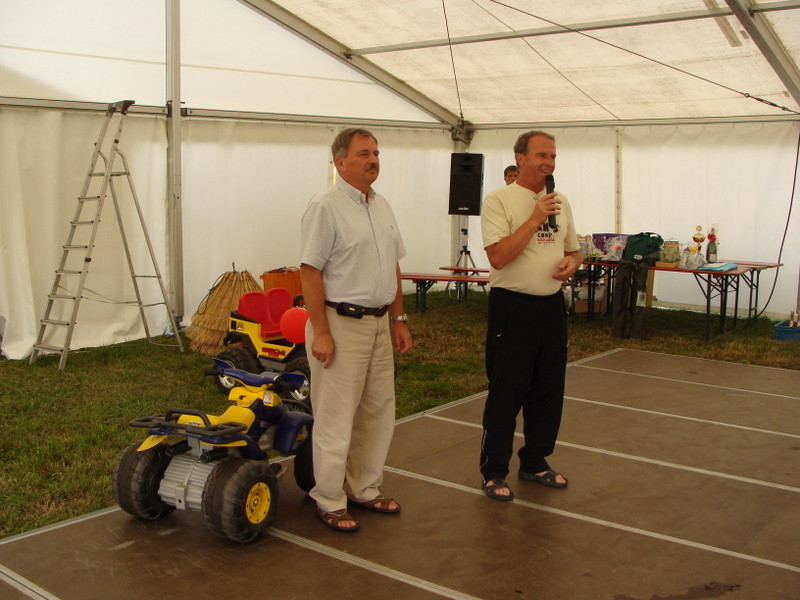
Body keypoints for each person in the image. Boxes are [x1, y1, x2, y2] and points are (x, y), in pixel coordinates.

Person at [300, 128, 413, 532]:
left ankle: (365, 487)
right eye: (364, 153)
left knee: (378, 409)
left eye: (377, 152)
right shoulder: (324, 206)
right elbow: (310, 272)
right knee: (335, 415)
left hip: (380, 323)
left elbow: (393, 267)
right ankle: (329, 498)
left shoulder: (381, 205)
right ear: (340, 162)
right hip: (340, 324)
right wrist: (322, 331)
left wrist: (398, 319)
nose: (373, 159)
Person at [479, 131, 582, 501]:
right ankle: (494, 470)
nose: (549, 163)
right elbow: (498, 257)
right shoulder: (498, 201)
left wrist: (573, 262)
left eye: (552, 156)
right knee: (507, 392)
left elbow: (574, 249)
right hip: (513, 306)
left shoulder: (561, 201)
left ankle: (536, 461)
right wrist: (535, 218)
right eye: (541, 155)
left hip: (551, 306)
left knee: (548, 390)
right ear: (520, 157)